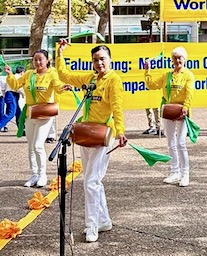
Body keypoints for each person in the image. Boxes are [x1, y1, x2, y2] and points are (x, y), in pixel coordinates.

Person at [56, 40, 128, 243]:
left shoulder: (114, 80)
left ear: (110, 60)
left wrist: (121, 131)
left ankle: (91, 226)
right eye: (95, 60)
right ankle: (104, 220)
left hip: (103, 135)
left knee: (91, 182)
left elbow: (117, 107)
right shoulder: (90, 79)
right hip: (87, 134)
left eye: (102, 59)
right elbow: (65, 75)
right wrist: (59, 54)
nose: (99, 63)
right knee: (92, 180)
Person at [5, 51, 66, 188]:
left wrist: (64, 88)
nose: (38, 62)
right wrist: (9, 74)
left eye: (40, 59)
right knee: (31, 147)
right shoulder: (29, 74)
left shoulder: (51, 74)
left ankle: (43, 174)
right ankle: (34, 175)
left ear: (47, 60)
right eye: (35, 60)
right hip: (30, 113)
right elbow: (15, 85)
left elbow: (58, 86)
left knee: (38, 145)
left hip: (44, 114)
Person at [144, 47, 194, 187]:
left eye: (180, 58)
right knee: (171, 143)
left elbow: (190, 93)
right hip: (167, 111)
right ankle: (174, 171)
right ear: (171, 60)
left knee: (181, 143)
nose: (177, 60)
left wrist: (186, 107)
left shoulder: (188, 75)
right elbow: (151, 85)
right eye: (175, 58)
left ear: (184, 59)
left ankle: (185, 174)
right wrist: (147, 71)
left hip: (182, 112)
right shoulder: (167, 75)